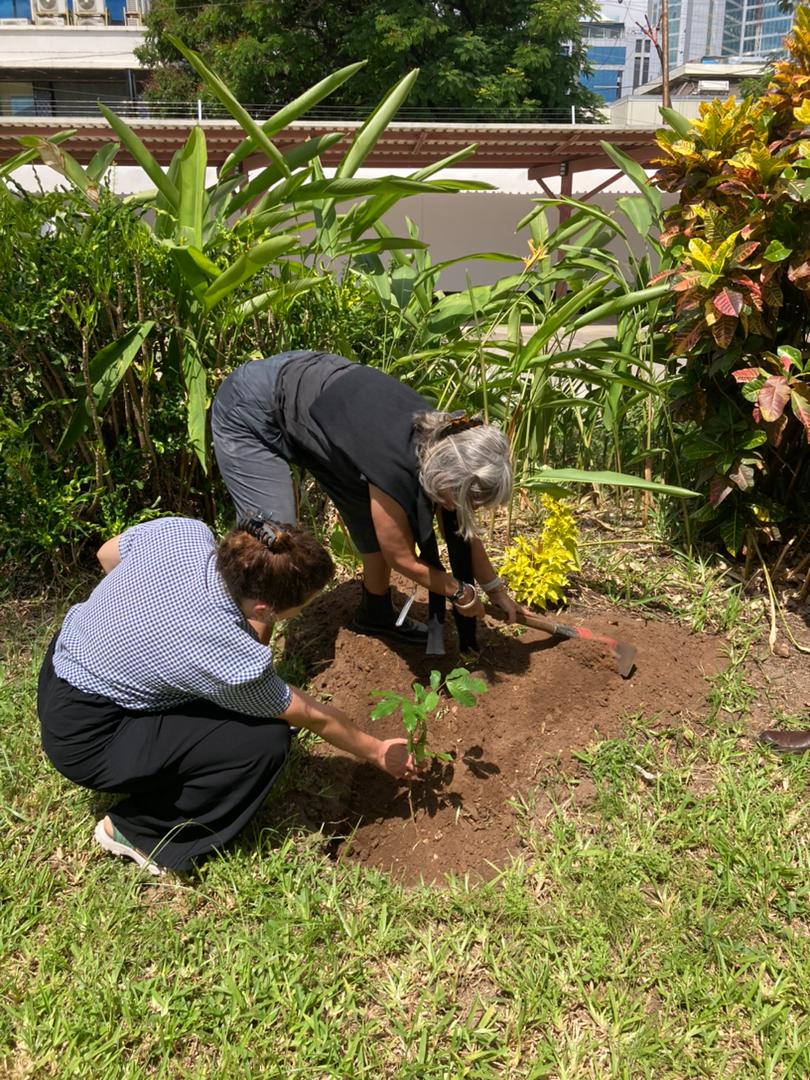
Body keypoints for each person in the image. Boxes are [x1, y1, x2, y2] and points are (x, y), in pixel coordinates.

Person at [37, 515, 416, 876]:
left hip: (60, 660)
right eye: (301, 607)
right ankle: (140, 833)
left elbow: (107, 554)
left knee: (223, 706)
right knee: (263, 741)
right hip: (86, 739)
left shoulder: (183, 533)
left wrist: (140, 625)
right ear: (263, 609)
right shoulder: (226, 652)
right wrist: (376, 751)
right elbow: (312, 716)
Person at [212, 351, 530, 653]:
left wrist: (495, 589)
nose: (466, 510)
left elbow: (460, 527)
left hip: (320, 403)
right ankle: (244, 672)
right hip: (252, 409)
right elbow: (401, 559)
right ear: (443, 479)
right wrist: (459, 591)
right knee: (274, 555)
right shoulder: (393, 466)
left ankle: (375, 614)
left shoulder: (445, 439)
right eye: (463, 500)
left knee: (373, 519)